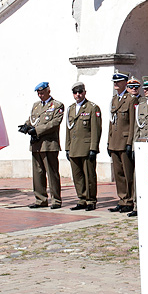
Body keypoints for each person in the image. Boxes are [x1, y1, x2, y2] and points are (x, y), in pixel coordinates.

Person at [22, 82, 64, 209]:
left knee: (52, 173)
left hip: (49, 144)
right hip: (36, 144)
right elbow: (32, 120)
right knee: (38, 173)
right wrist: (26, 126)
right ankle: (40, 199)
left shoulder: (57, 105)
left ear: (48, 91)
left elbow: (54, 123)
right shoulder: (36, 106)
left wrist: (37, 130)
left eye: (42, 93)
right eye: (38, 93)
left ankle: (56, 200)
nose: (40, 95)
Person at [66, 82, 101, 211]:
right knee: (77, 176)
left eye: (80, 92)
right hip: (74, 147)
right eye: (75, 93)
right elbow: (68, 130)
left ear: (85, 92)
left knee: (89, 175)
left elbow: (96, 129)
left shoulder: (92, 108)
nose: (78, 95)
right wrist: (67, 147)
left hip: (86, 147)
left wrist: (93, 148)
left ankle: (91, 200)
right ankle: (81, 198)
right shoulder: (70, 109)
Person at [108, 72, 136, 214]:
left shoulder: (131, 100)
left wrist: (130, 142)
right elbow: (111, 122)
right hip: (114, 141)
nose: (116, 84)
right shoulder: (114, 100)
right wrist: (108, 141)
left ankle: (130, 200)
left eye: (118, 82)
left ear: (125, 83)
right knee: (118, 173)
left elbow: (132, 123)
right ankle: (122, 199)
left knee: (128, 173)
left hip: (125, 141)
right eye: (114, 82)